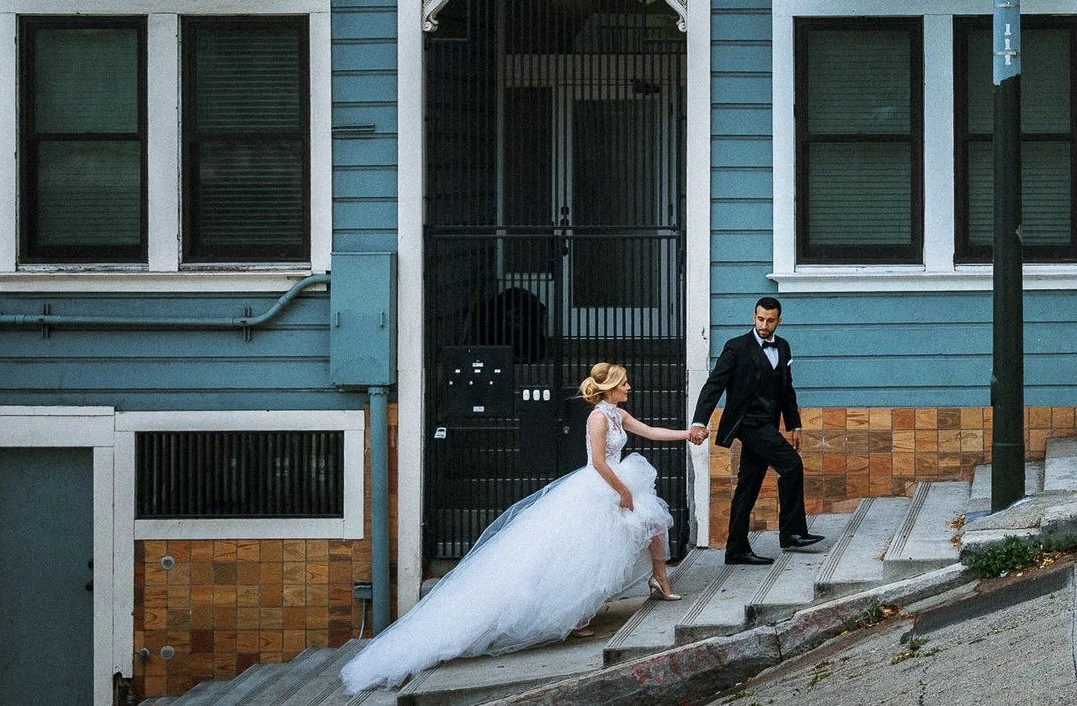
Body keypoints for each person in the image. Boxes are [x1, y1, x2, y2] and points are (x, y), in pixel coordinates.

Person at [340, 362, 706, 692]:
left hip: (618, 479)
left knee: (654, 521)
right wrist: (623, 490)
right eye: (624, 383)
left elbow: (651, 431)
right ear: (609, 388)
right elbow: (597, 462)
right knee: (582, 552)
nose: (629, 388)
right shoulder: (597, 418)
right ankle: (577, 615)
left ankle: (659, 579)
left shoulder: (618, 415)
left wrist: (686, 434)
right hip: (603, 484)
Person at [691, 296, 824, 564]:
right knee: (791, 465)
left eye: (770, 320)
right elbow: (713, 385)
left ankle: (736, 549)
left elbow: (787, 389)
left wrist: (794, 424)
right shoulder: (736, 347)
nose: (764, 325)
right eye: (760, 319)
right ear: (754, 317)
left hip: (768, 422)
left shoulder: (783, 348)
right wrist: (698, 421)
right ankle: (792, 533)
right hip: (747, 422)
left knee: (748, 486)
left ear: (779, 320)